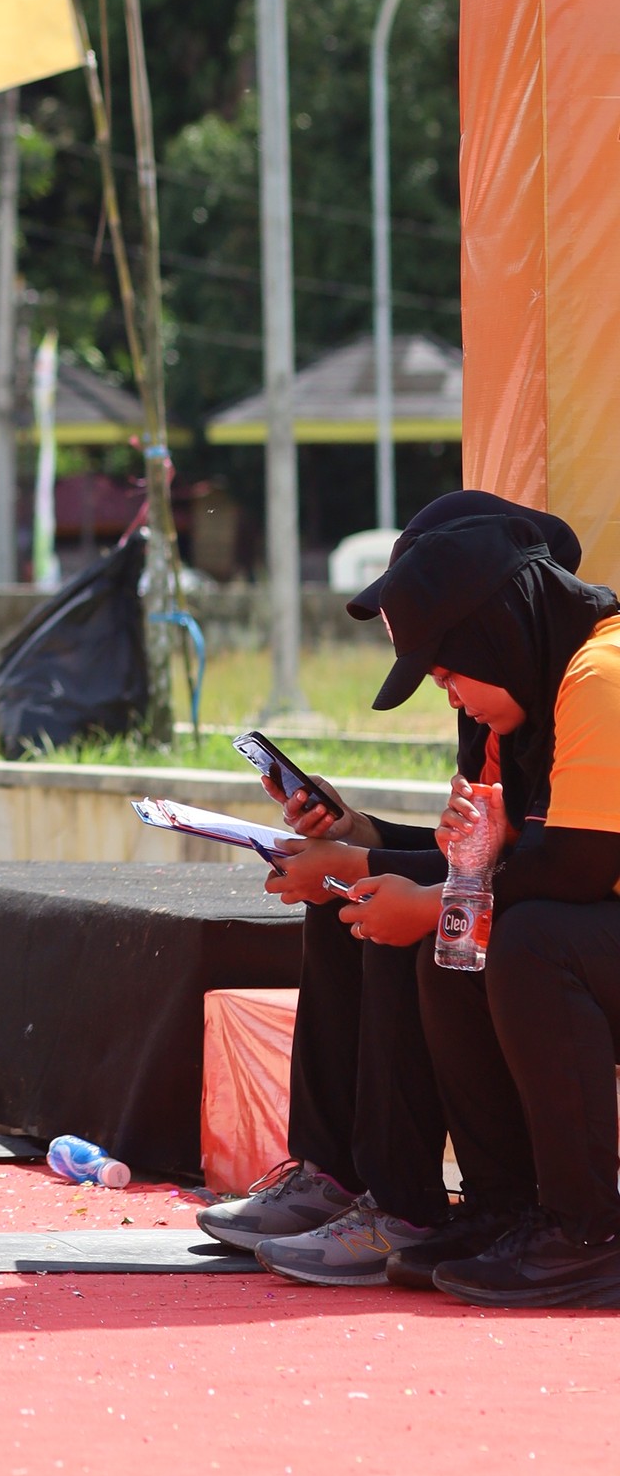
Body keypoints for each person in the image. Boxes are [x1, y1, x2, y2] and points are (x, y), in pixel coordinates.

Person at [196, 489, 580, 1286]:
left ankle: (405, 1204)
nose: (450, 694)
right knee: (356, 891)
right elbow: (480, 856)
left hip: (568, 931)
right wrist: (360, 835)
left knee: (396, 910)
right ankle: (335, 1174)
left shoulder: (579, 690)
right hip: (543, 907)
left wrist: (378, 875)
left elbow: (553, 869)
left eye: (447, 671)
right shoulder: (501, 701)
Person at [334, 503, 620, 1308]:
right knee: (465, 940)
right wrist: (468, 869)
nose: (453, 698)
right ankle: (507, 1210)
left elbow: (580, 866)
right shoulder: (551, 685)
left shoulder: (601, 674)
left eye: (449, 674)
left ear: (496, 636)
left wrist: (441, 898)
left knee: (524, 938)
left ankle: (589, 1234)